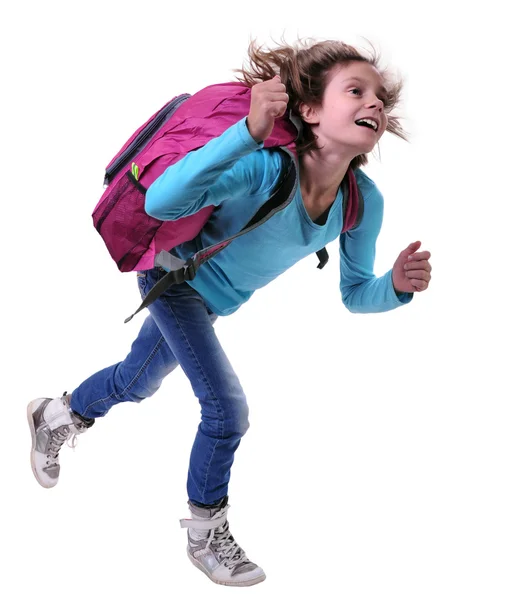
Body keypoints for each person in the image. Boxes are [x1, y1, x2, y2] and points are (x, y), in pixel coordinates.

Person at [27, 37, 432, 587]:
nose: (375, 104)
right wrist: (245, 134)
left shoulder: (361, 202)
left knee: (138, 380)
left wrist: (396, 287)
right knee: (227, 410)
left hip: (215, 304)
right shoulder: (265, 168)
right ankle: (205, 531)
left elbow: (357, 292)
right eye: (356, 91)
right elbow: (160, 203)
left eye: (381, 98)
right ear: (309, 111)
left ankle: (56, 414)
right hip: (174, 279)